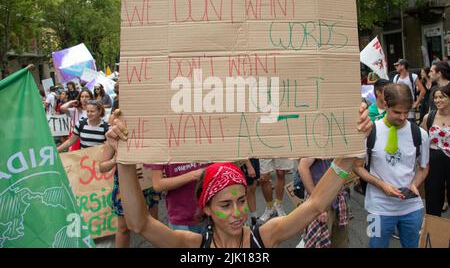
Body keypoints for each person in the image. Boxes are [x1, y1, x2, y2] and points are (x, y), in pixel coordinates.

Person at [99, 104, 372, 248]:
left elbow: (315, 204)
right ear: (205, 207)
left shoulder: (264, 237)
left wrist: (348, 151)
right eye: (225, 205)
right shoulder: (193, 244)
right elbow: (140, 224)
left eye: (241, 200)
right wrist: (124, 156)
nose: (238, 212)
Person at [353, 84, 430, 248]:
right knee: (376, 245)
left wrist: (414, 185)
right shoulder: (370, 132)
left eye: (406, 112)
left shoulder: (420, 134)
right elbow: (357, 167)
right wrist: (382, 185)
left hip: (411, 207)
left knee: (412, 245)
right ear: (385, 105)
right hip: (378, 207)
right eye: (397, 112)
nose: (403, 117)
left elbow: (424, 168)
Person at [99, 110, 161, 248]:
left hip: (148, 185)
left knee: (155, 226)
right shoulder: (115, 138)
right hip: (124, 188)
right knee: (123, 228)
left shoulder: (149, 134)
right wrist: (115, 160)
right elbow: (102, 167)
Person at [298, 158, 351, 248]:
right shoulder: (318, 145)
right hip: (322, 203)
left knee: (340, 241)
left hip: (339, 199)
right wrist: (318, 204)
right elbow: (303, 167)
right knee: (319, 242)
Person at [145, 161, 209, 233]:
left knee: (216, 242)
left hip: (211, 214)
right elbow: (158, 185)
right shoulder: (161, 151)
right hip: (181, 217)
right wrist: (193, 175)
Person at [421, 84, 450, 216]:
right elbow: (421, 139)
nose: (438, 100)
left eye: (442, 97)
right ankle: (433, 230)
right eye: (436, 97)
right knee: (433, 196)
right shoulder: (429, 117)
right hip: (433, 161)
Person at [240, 158, 261, 228]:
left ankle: (254, 217)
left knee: (252, 188)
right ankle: (243, 221)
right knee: (244, 192)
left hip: (253, 157)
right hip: (243, 161)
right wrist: (248, 165)